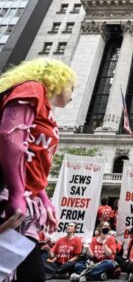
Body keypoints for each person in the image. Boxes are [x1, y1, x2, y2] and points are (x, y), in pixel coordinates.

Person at [0, 58, 76, 282]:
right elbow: (10, 136)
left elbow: (33, 164)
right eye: (72, 86)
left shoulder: (49, 115)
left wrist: (44, 200)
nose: (73, 95)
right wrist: (16, 193)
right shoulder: (32, 88)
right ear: (58, 80)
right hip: (6, 195)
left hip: (25, 202)